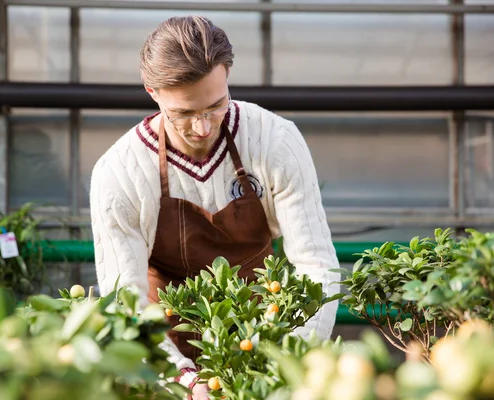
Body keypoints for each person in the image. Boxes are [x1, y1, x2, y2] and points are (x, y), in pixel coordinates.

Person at [90, 15, 341, 399]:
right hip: (165, 353)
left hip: (264, 343)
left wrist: (282, 360)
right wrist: (182, 381)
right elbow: (125, 303)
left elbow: (317, 266)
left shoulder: (275, 141)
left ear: (228, 77)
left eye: (215, 106)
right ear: (152, 91)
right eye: (184, 114)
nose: (203, 128)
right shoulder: (119, 173)